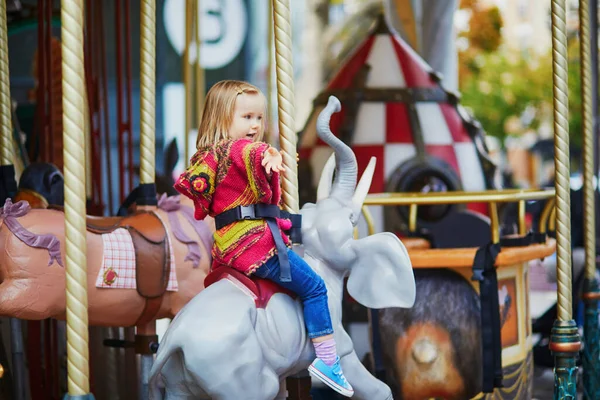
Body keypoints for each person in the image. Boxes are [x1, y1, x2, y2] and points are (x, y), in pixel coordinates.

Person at [173, 80, 354, 397]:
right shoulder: (242, 149)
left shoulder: (210, 154)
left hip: (227, 251)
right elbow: (253, 153)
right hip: (257, 247)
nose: (255, 125)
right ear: (222, 117)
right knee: (314, 287)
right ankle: (327, 360)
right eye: (246, 117)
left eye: (259, 118)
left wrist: (273, 162)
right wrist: (269, 156)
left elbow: (197, 179)